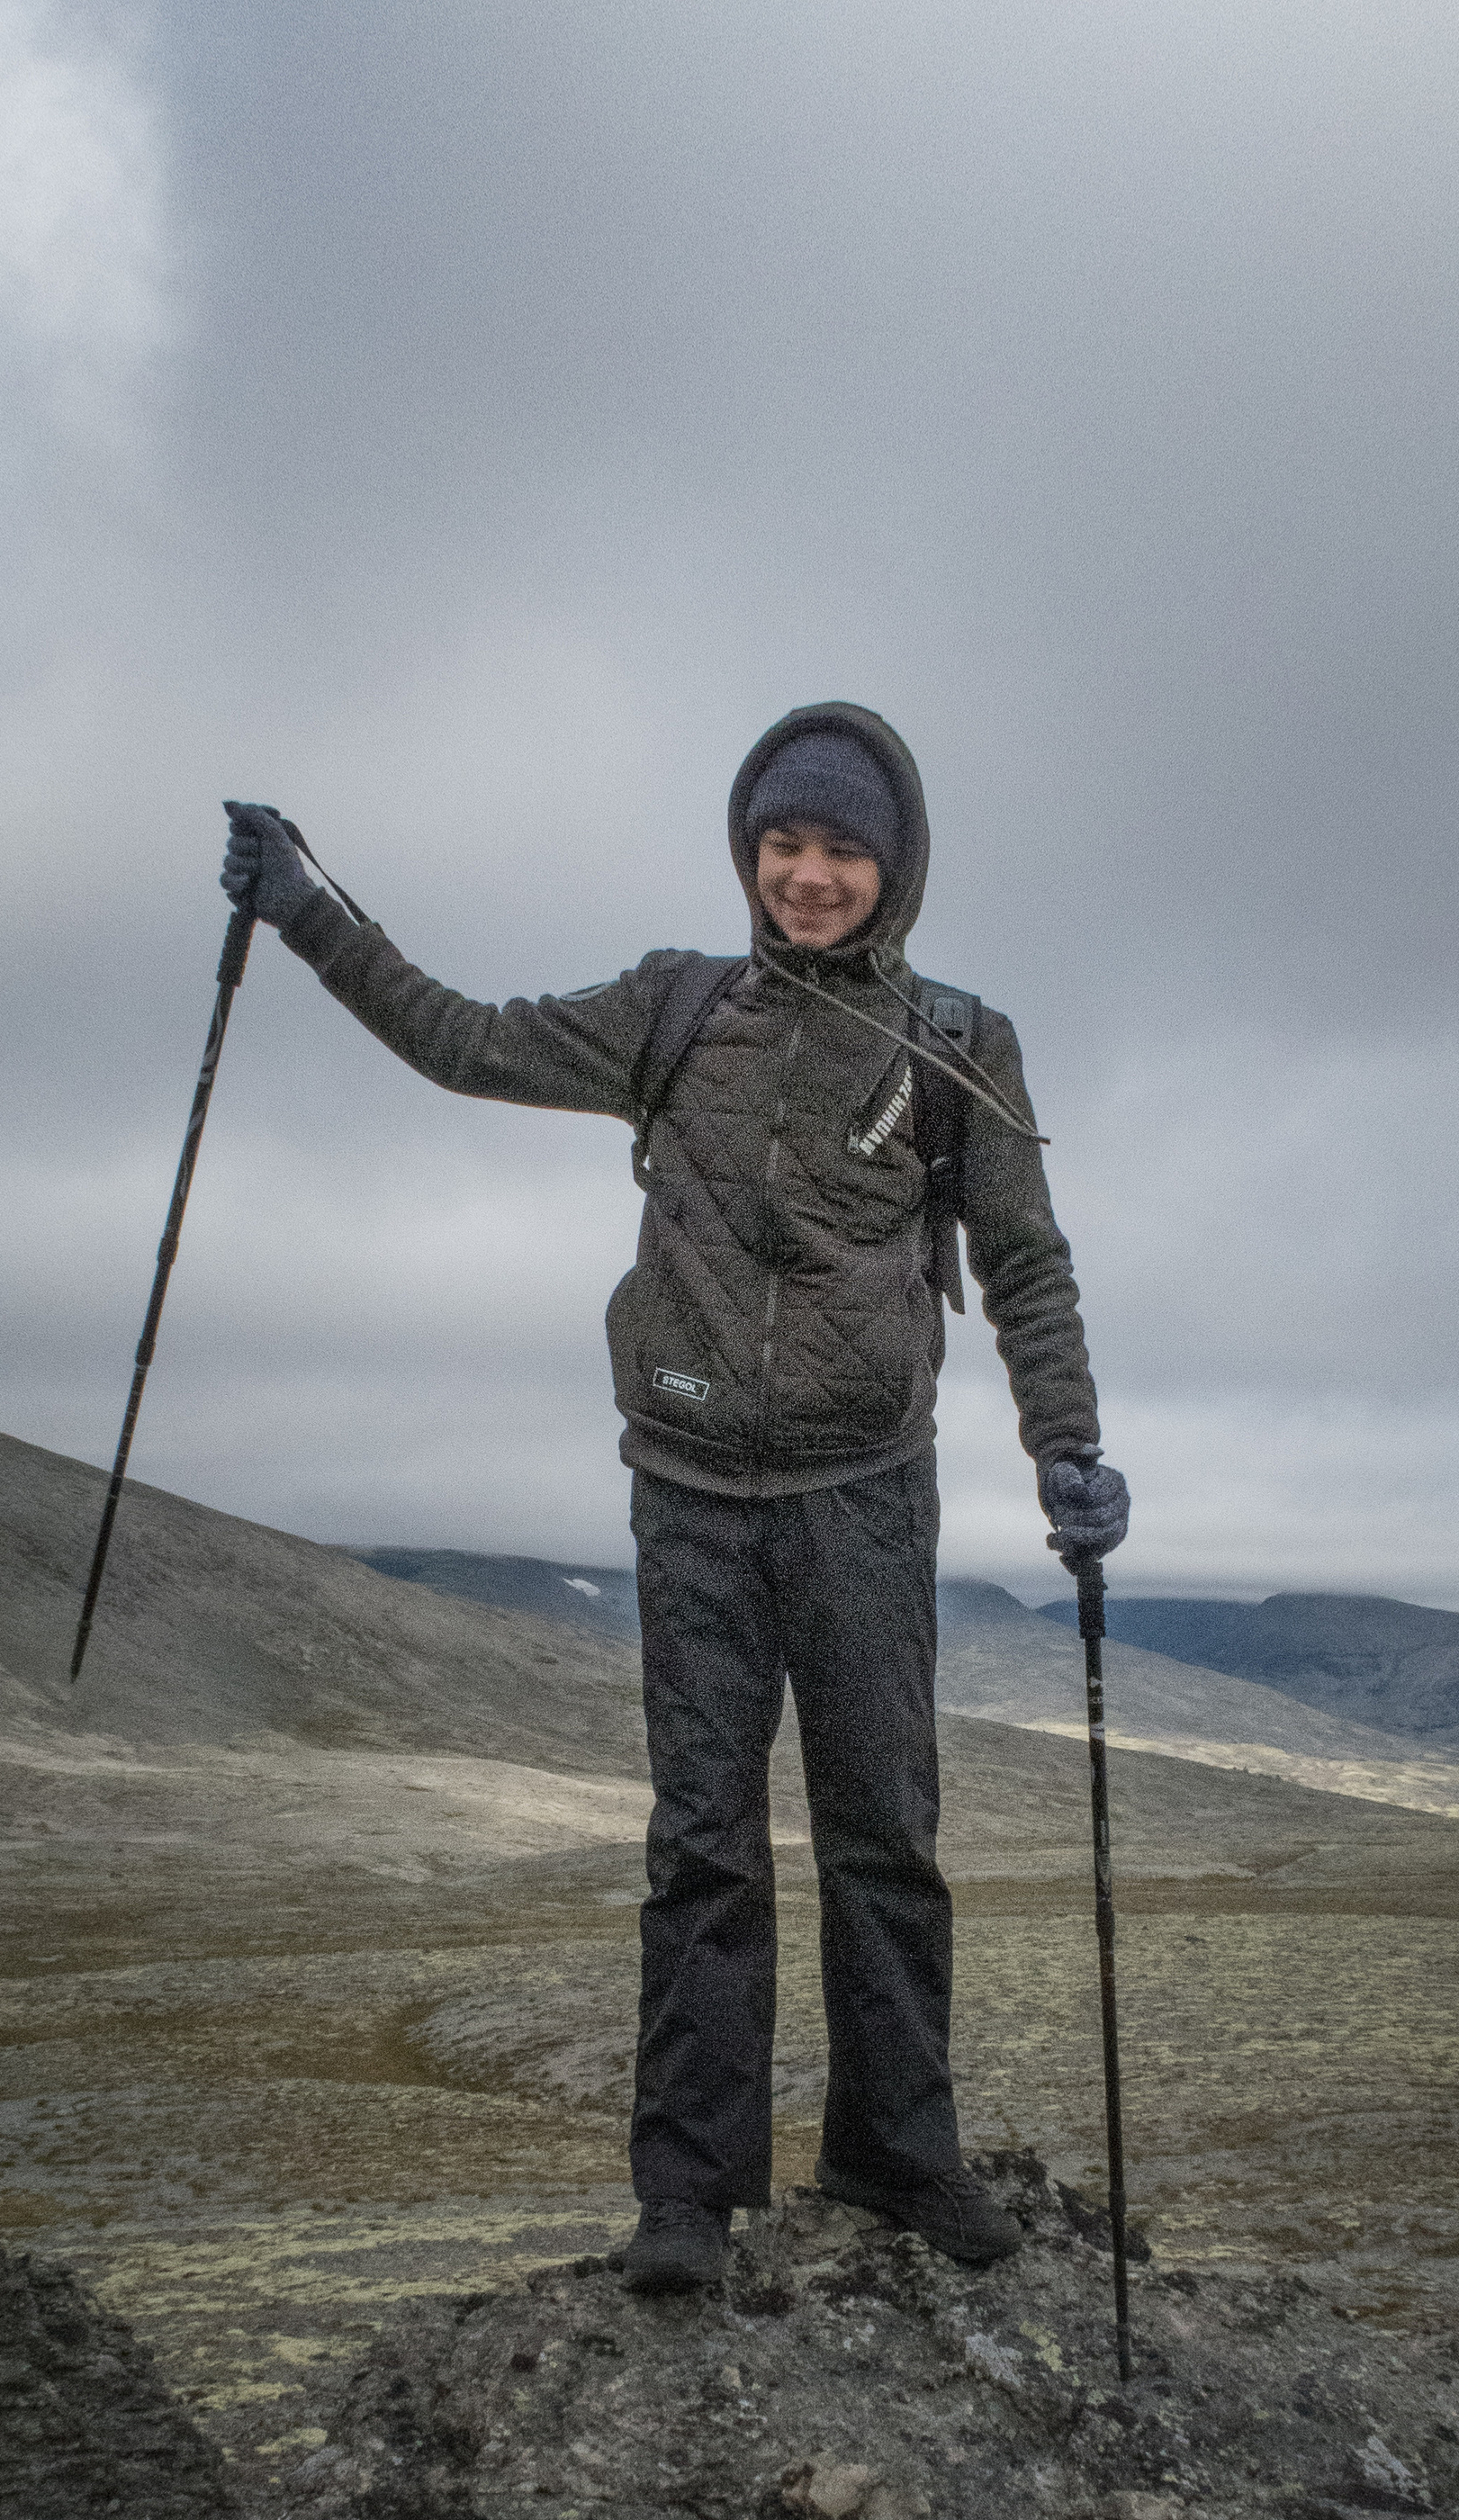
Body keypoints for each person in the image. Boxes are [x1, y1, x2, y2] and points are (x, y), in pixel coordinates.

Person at [221, 702, 1127, 2297]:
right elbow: (462, 1038)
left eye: (843, 847)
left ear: (894, 865)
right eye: (785, 841)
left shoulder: (960, 1042)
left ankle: (895, 2153)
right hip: (691, 1489)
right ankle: (688, 2197)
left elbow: (1026, 1263)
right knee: (702, 1841)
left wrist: (1068, 1444)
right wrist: (309, 913)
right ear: (747, 848)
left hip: (863, 1495)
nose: (809, 874)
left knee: (885, 1839)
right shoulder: (671, 1009)